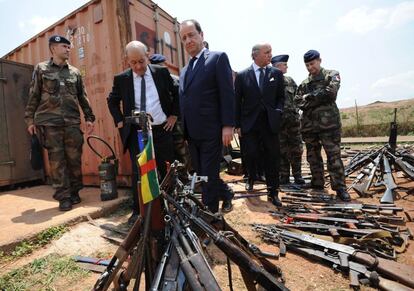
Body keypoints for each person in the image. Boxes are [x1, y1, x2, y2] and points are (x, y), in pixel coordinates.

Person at [107, 41, 179, 223]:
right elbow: (112, 100)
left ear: (148, 56)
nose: (138, 66)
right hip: (138, 133)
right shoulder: (122, 79)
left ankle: (170, 207)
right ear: (127, 61)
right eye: (133, 63)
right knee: (140, 172)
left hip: (162, 130)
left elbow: (177, 92)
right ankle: (139, 212)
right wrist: (120, 121)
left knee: (166, 169)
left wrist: (174, 115)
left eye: (141, 61)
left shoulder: (161, 73)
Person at [24, 35, 95, 211]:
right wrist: (30, 119)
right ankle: (63, 197)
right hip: (50, 123)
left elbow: (82, 97)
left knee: (74, 160)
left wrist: (89, 117)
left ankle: (75, 191)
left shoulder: (75, 72)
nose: (68, 49)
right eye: (64, 46)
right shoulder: (41, 69)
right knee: (57, 161)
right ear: (53, 48)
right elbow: (34, 95)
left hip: (72, 123)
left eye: (69, 46)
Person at [179, 19, 235, 213]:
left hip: (212, 130)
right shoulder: (185, 70)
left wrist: (228, 125)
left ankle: (210, 216)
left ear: (202, 35)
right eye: (184, 38)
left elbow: (227, 93)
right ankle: (226, 194)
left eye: (191, 35)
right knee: (202, 174)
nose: (188, 40)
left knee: (209, 175)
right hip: (192, 133)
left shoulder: (217, 58)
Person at [294, 50, 350, 201]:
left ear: (319, 60)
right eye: (307, 65)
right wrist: (318, 97)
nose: (310, 67)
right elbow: (298, 102)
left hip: (329, 125)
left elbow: (331, 93)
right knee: (313, 156)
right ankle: (317, 183)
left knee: (334, 157)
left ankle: (340, 188)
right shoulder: (304, 84)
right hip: (309, 126)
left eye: (312, 64)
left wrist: (311, 97)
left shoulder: (331, 75)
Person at [235, 43, 285, 207]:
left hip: (270, 122)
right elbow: (237, 101)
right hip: (250, 124)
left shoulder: (276, 74)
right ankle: (250, 176)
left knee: (273, 157)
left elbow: (280, 97)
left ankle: (273, 192)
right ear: (255, 55)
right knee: (251, 153)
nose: (270, 55)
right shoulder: (242, 76)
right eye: (267, 52)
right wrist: (237, 124)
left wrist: (278, 111)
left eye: (271, 52)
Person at [271, 55, 305, 185]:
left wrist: (299, 112)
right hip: (279, 123)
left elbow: (298, 97)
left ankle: (298, 175)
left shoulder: (290, 81)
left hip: (293, 122)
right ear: (277, 66)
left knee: (297, 149)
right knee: (281, 150)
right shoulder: (270, 81)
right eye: (284, 64)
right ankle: (284, 176)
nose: (287, 66)